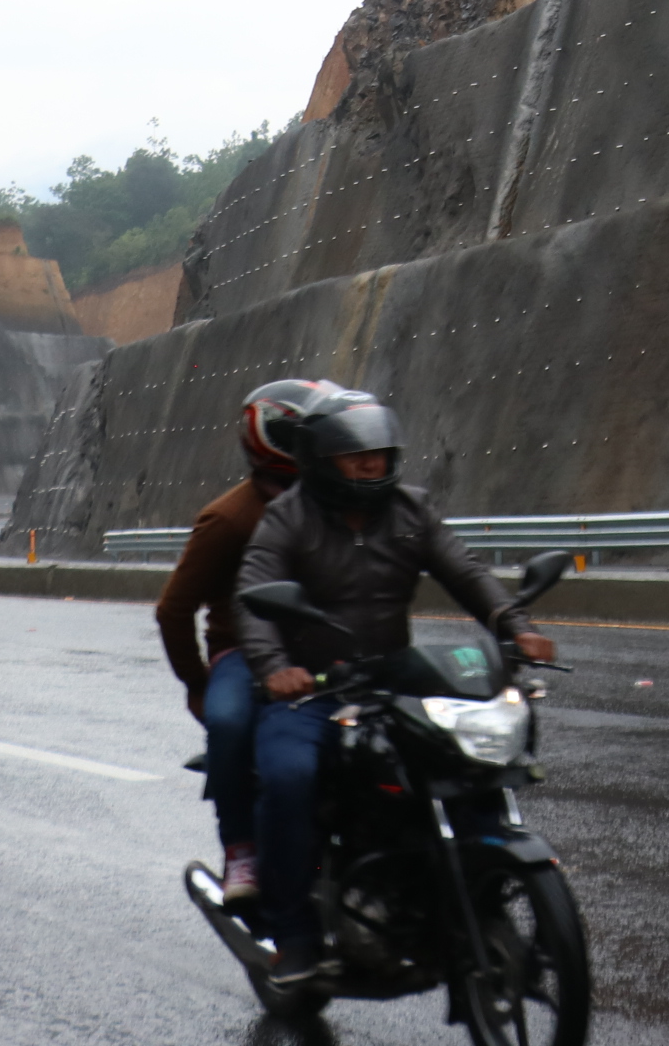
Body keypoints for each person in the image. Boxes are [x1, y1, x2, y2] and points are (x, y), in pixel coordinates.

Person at [236, 388, 556, 985]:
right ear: (319, 460)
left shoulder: (412, 510)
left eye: (380, 455)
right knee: (289, 776)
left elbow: (466, 572)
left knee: (465, 758)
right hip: (312, 689)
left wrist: (516, 627)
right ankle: (295, 936)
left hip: (391, 677)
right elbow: (253, 599)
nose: (371, 466)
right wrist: (273, 665)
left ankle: (474, 895)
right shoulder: (288, 518)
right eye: (356, 457)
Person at [153, 377, 332, 902]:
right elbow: (174, 609)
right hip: (243, 653)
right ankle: (240, 852)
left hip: (323, 647)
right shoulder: (227, 519)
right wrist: (196, 681)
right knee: (229, 723)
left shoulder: (337, 502)